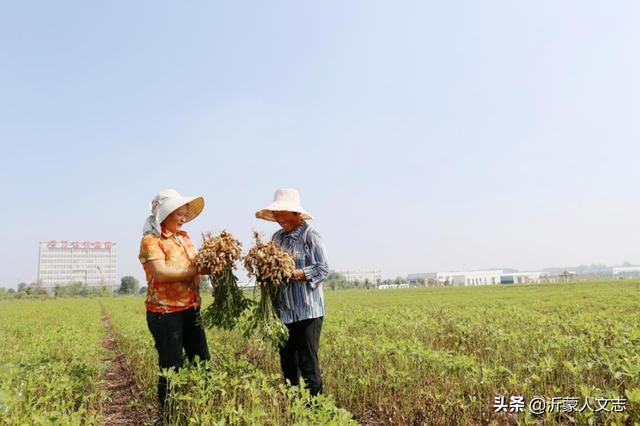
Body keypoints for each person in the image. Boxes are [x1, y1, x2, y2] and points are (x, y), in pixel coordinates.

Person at [138, 189, 211, 417]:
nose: (183, 218)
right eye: (179, 214)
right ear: (165, 215)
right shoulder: (151, 241)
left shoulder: (185, 238)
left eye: (185, 214)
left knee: (202, 361)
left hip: (191, 308)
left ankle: (202, 411)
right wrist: (196, 269)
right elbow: (161, 273)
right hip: (165, 312)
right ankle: (169, 416)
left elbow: (198, 264)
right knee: (171, 366)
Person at [255, 188, 329, 396]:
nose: (279, 219)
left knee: (307, 361)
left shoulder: (310, 236)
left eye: (283, 215)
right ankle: (293, 403)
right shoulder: (277, 237)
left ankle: (316, 405)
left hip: (307, 310)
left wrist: (293, 273)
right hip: (284, 310)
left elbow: (322, 268)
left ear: (295, 213)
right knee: (287, 360)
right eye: (276, 215)